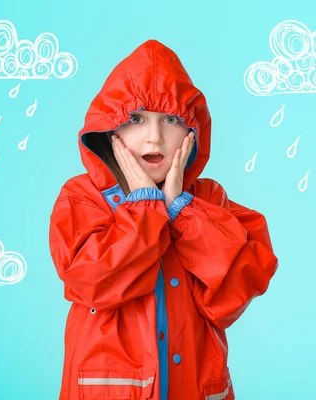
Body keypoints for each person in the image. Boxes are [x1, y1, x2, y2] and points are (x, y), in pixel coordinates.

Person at [48, 39, 278, 400]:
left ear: (191, 132)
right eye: (136, 118)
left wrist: (180, 210)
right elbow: (95, 281)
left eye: (170, 120)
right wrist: (143, 206)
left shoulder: (209, 200)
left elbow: (236, 289)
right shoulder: (83, 199)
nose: (154, 136)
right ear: (111, 131)